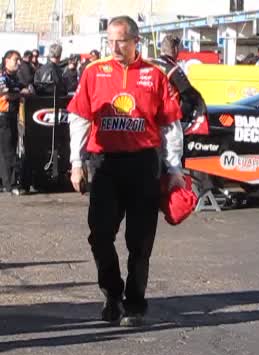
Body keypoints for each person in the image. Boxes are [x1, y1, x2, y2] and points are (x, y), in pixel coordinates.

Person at [67, 15, 184, 327]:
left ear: (136, 41)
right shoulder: (93, 72)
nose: (115, 46)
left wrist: (174, 168)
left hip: (143, 164)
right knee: (100, 234)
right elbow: (78, 118)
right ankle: (112, 293)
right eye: (110, 40)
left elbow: (171, 125)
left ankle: (134, 304)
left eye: (121, 40)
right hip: (104, 164)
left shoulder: (155, 75)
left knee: (140, 240)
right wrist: (76, 164)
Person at [150, 34, 207, 129]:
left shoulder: (150, 63)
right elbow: (190, 94)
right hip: (166, 120)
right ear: (176, 49)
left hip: (147, 116)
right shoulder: (173, 69)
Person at [0, 50, 32, 194]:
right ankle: (11, 184)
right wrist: (19, 93)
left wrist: (22, 90)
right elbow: (6, 94)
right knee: (9, 151)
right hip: (3, 116)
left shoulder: (14, 78)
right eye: (15, 60)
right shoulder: (2, 76)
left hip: (12, 116)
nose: (18, 63)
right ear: (6, 61)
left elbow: (22, 88)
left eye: (19, 60)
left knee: (9, 149)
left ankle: (6, 182)